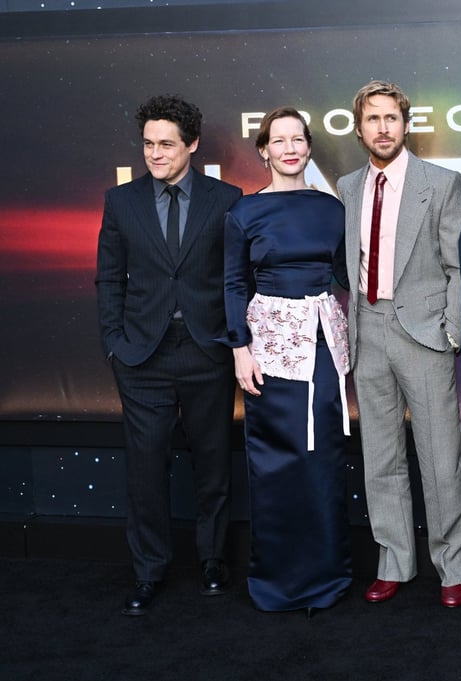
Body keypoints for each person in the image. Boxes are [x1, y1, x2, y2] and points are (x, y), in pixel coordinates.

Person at [96, 94, 240, 616]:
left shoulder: (226, 199)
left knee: (213, 466)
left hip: (207, 351)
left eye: (166, 145)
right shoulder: (122, 201)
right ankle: (149, 571)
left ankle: (212, 560)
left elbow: (235, 278)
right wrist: (116, 342)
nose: (155, 154)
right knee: (146, 470)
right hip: (142, 357)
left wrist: (233, 338)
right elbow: (108, 277)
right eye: (148, 145)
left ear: (192, 145)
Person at [336, 81, 461, 608]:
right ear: (359, 128)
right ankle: (393, 561)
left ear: (406, 123)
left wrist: (451, 331)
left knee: (441, 459)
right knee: (381, 456)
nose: (383, 128)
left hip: (424, 333)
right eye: (373, 119)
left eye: (392, 118)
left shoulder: (440, 183)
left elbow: (459, 268)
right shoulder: (348, 186)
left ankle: (453, 566)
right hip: (366, 329)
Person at [224, 107, 353, 616]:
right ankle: (278, 581)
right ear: (264, 150)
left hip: (322, 347)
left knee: (321, 459)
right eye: (279, 140)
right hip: (268, 351)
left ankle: (326, 578)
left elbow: (349, 275)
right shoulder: (243, 213)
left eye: (298, 138)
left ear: (308, 146)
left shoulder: (331, 208)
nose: (290, 148)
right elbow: (233, 283)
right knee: (276, 462)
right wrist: (239, 348)